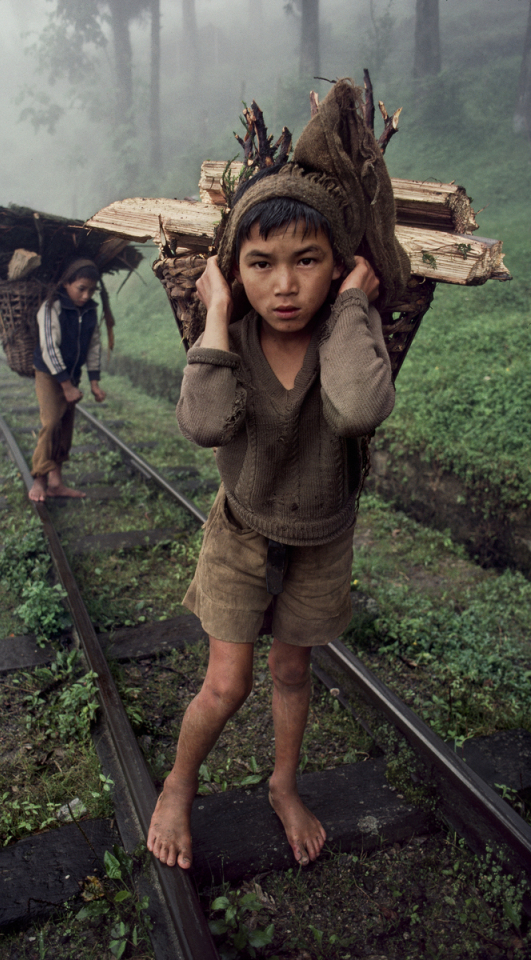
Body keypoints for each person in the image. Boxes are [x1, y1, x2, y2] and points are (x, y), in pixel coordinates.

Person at [146, 80, 410, 870]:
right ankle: (177, 788)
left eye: (308, 262)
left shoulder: (345, 334)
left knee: (293, 670)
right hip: (243, 533)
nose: (286, 285)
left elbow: (361, 409)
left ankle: (283, 784)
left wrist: (359, 305)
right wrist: (219, 312)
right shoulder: (234, 338)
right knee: (225, 686)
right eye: (260, 265)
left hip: (323, 537)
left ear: (339, 266)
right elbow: (202, 423)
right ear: (236, 271)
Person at [29, 258, 107, 502]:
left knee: (65, 428)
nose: (86, 295)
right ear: (66, 284)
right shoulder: (51, 307)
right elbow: (49, 349)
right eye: (81, 288)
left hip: (73, 376)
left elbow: (94, 346)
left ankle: (56, 483)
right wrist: (66, 386)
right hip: (49, 374)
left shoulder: (91, 311)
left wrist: (94, 382)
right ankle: (40, 479)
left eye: (92, 290)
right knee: (51, 422)